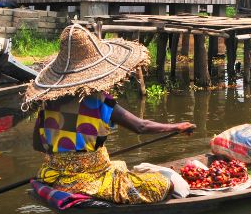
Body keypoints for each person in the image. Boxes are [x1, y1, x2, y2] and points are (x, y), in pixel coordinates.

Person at [25, 24, 195, 204]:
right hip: (89, 182)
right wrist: (176, 126)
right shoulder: (100, 101)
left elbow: (38, 145)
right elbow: (141, 126)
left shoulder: (48, 104)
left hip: (55, 177)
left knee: (119, 165)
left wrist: (68, 157)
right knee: (161, 184)